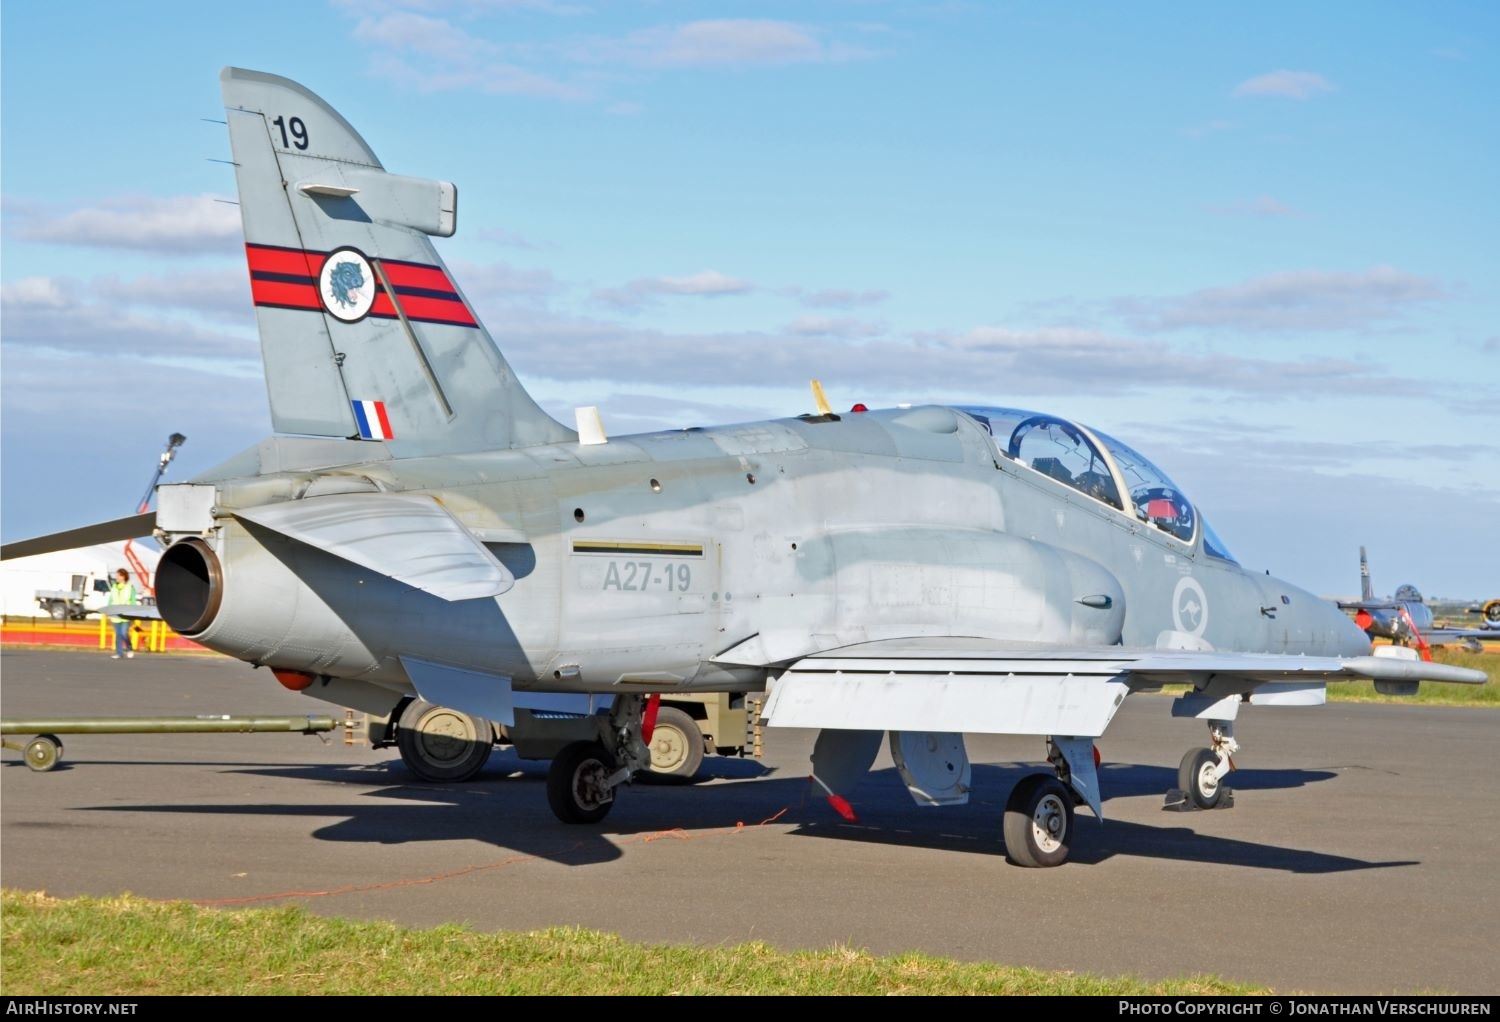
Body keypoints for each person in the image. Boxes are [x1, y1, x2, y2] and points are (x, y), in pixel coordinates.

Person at [107, 569, 138, 659]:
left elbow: (133, 601)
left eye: (119, 575)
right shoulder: (114, 587)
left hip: (125, 614)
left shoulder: (130, 587)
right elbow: (111, 600)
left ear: (124, 576)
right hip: (116, 614)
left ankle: (129, 648)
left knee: (124, 633)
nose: (117, 577)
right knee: (118, 634)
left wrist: (132, 612)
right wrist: (109, 611)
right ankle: (119, 653)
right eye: (117, 575)